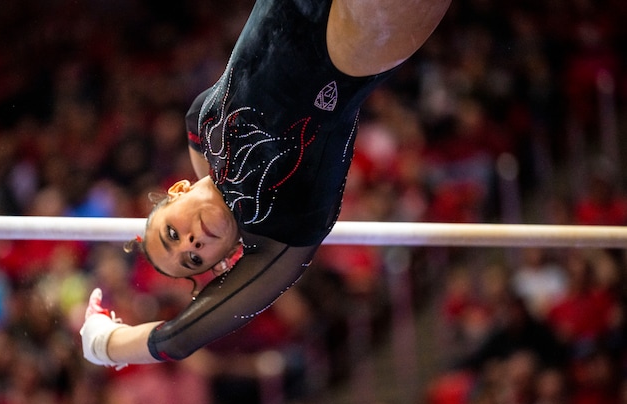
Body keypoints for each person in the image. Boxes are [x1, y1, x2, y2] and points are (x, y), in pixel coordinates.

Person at [80, 0, 451, 368]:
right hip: (353, 39)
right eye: (194, 260)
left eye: (172, 234)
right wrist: (101, 343)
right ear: (225, 260)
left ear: (179, 189)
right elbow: (177, 339)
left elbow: (195, 126)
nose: (190, 243)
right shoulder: (276, 241)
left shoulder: (206, 127)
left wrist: (205, 181)